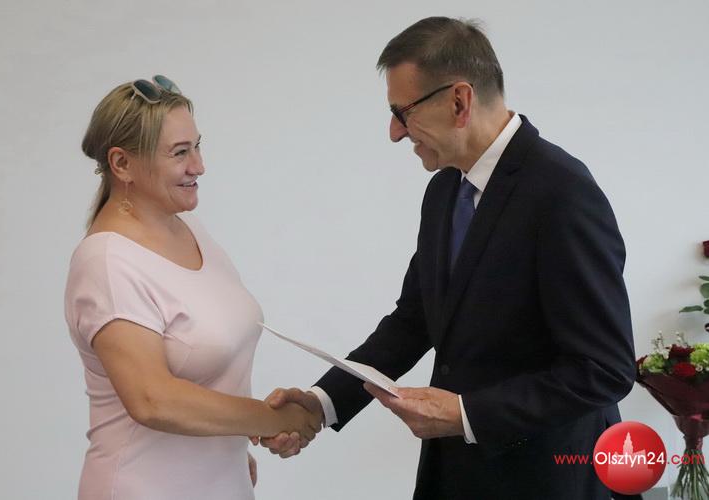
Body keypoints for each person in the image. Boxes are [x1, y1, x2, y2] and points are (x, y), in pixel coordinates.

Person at [259, 17, 637, 500]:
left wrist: (465, 414)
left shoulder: (562, 193)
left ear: (459, 101)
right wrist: (322, 401)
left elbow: (604, 369)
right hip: (454, 475)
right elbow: (415, 320)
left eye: (402, 112)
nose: (395, 132)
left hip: (544, 479)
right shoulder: (444, 191)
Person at [64, 76, 321, 500]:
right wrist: (270, 419)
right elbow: (153, 399)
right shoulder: (107, 263)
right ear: (122, 164)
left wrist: (236, 442)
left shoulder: (189, 229)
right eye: (180, 152)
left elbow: (210, 375)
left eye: (197, 146)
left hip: (220, 483)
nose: (199, 166)